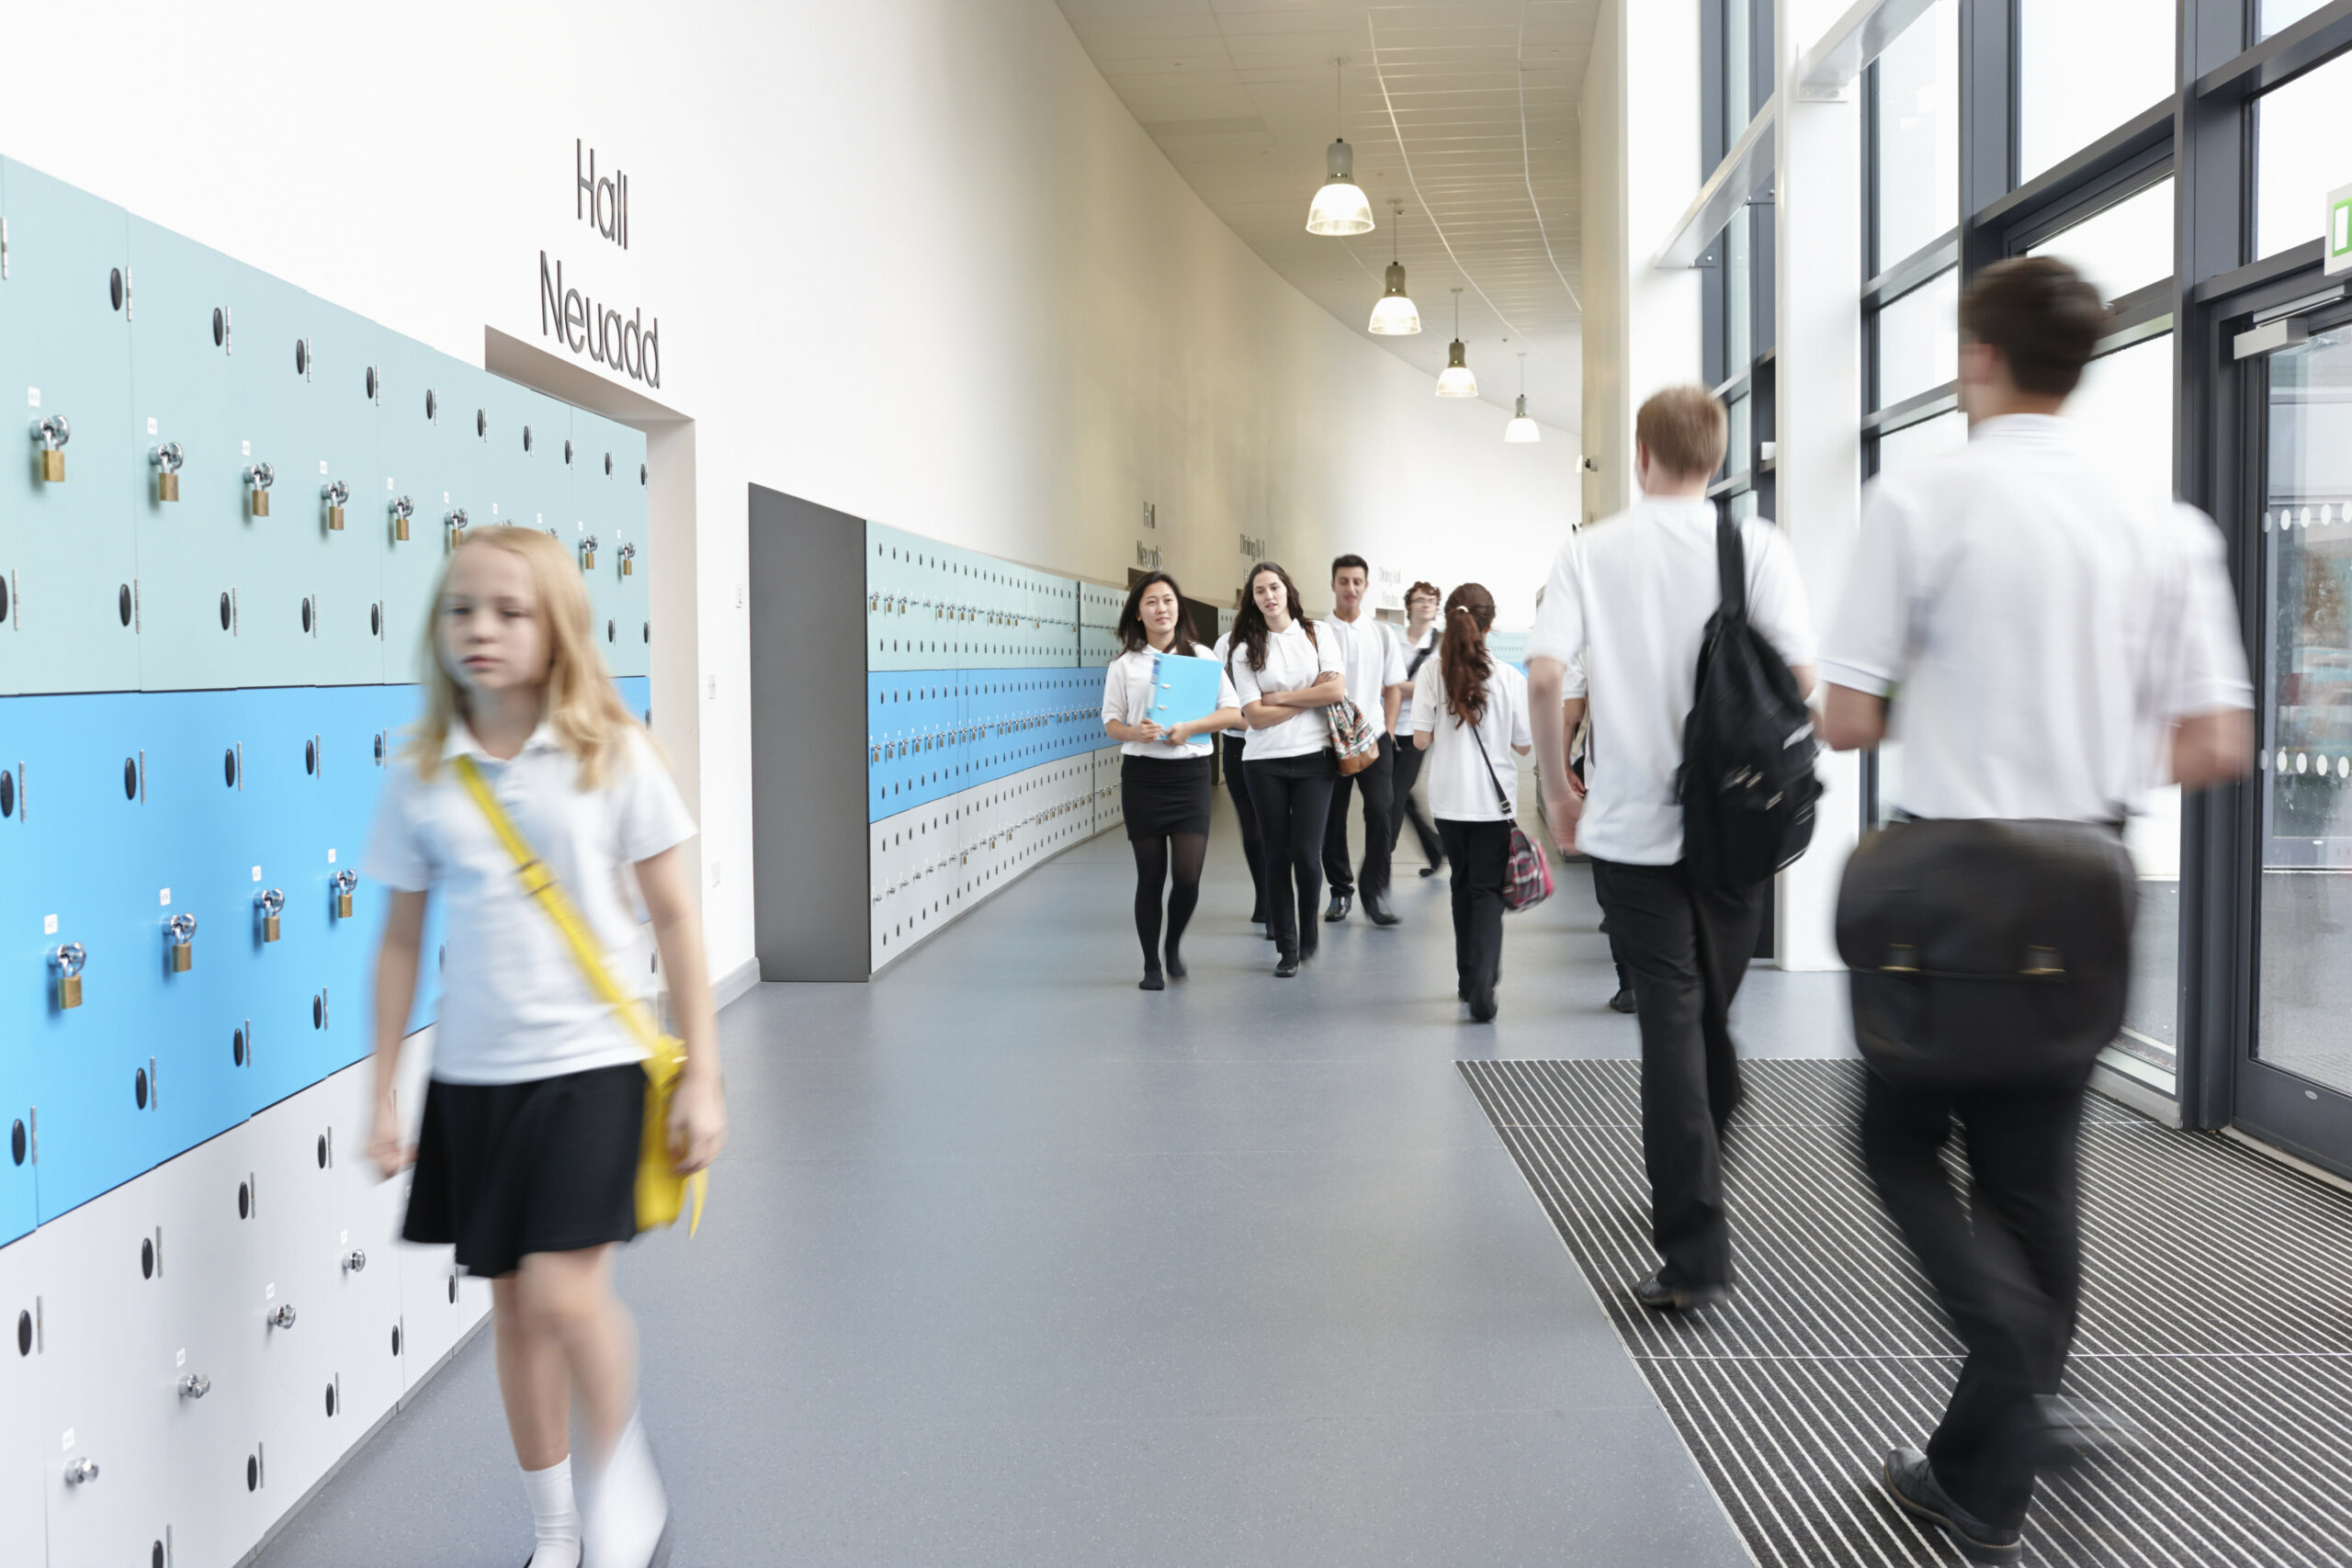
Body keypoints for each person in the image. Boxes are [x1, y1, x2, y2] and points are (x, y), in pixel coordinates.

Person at [1817, 257, 2252, 1565]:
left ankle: (2005, 1351)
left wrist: (1949, 706)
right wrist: (2090, 750)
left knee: (1896, 1136)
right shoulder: (2161, 522)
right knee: (2036, 1174)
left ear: (1976, 355)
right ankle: (1977, 1478)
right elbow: (2219, 740)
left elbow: (1846, 714)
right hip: (2084, 877)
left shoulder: (1924, 494)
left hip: (1944, 880)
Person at [364, 526, 726, 1568]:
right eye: (460, 608)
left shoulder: (612, 752)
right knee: (515, 1312)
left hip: (590, 1069)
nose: (479, 629)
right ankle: (554, 1528)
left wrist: (705, 1072)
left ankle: (624, 1480)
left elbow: (675, 921)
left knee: (567, 1294)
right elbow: (397, 939)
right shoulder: (424, 769)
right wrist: (385, 1089)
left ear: (557, 624)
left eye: (509, 610)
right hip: (474, 1077)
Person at [1526, 385, 1815, 1314]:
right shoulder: (1754, 548)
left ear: (1641, 455)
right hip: (1737, 831)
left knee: (1675, 1030)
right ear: (1718, 460)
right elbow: (1802, 681)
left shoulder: (1588, 551)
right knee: (1701, 1024)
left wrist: (1556, 790)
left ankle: (1693, 1252)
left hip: (1628, 833)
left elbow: (1541, 676)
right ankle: (1698, 1168)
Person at [1101, 571, 1244, 989]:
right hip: (1144, 777)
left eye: (1168, 600)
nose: (1161, 609)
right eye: (1151, 602)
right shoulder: (1124, 665)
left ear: (1178, 607)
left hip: (1190, 775)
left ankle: (1173, 944)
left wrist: (1191, 726)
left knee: (1187, 877)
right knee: (1150, 875)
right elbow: (1111, 722)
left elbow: (1233, 713)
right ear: (1138, 613)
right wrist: (1134, 732)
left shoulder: (1202, 658)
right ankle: (1151, 965)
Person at [1411, 583, 1531, 1021]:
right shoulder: (1508, 677)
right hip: (1494, 807)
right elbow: (1522, 746)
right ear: (1490, 624)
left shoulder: (1430, 672)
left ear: (1449, 619)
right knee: (1486, 893)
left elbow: (1420, 738)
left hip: (1448, 805)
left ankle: (1466, 980)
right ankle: (1483, 982)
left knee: (1461, 886)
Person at [1226, 560, 1346, 976]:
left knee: (1306, 855)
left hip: (1316, 758)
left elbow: (1335, 690)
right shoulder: (1244, 649)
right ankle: (1289, 948)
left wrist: (1277, 698)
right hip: (1263, 763)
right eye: (1260, 591)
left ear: (1287, 590)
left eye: (1274, 587)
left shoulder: (1317, 633)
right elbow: (1253, 718)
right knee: (1275, 855)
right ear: (1252, 599)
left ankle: (1308, 930)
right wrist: (1303, 697)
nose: (1269, 596)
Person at [1319, 555, 1409, 925]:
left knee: (1381, 810)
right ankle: (1340, 891)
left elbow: (1394, 687)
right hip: (1329, 740)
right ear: (1333, 584)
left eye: (1357, 581)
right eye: (1344, 581)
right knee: (1331, 818)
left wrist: (1387, 727)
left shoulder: (1382, 632)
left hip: (1373, 737)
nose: (1351, 588)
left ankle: (1375, 894)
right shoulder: (1318, 631)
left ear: (1366, 586)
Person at [1212, 621, 1272, 938]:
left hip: (1280, 743)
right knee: (1251, 825)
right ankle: (1264, 897)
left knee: (1277, 825)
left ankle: (1277, 899)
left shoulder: (1290, 640)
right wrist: (1255, 721)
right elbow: (1216, 697)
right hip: (1239, 743)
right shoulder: (1227, 644)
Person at [1387, 580, 1448, 877]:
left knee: (1395, 795)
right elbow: (1385, 683)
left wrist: (1398, 687)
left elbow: (1439, 688)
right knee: (1402, 794)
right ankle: (1436, 848)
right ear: (1408, 605)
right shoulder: (1393, 639)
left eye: (1432, 601)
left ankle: (1381, 860)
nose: (1426, 604)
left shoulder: (1440, 645)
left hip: (1418, 730)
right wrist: (1405, 688)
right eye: (1420, 599)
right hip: (1387, 725)